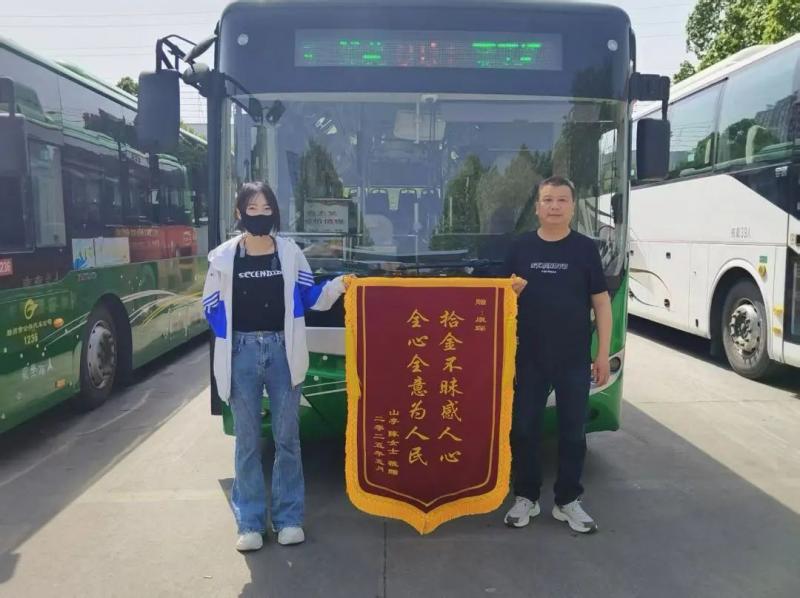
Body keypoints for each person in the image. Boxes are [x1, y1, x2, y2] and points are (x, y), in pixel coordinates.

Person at [202, 181, 351, 552]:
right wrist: (230, 338)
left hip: (283, 351)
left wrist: (336, 287)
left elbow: (309, 297)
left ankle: (288, 519)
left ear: (275, 213)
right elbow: (210, 306)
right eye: (252, 209)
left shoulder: (289, 253)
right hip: (241, 353)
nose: (259, 215)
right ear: (239, 213)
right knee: (248, 441)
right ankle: (250, 522)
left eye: (266, 208)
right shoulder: (223, 258)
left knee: (287, 439)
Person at [502, 175, 612, 534]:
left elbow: (601, 303)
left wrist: (602, 354)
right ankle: (526, 497)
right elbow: (497, 302)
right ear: (537, 207)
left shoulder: (584, 249)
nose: (554, 206)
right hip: (528, 358)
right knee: (524, 429)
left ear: (572, 207)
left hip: (573, 359)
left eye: (562, 200)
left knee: (573, 432)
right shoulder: (519, 248)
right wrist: (510, 292)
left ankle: (568, 501)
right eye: (547, 200)